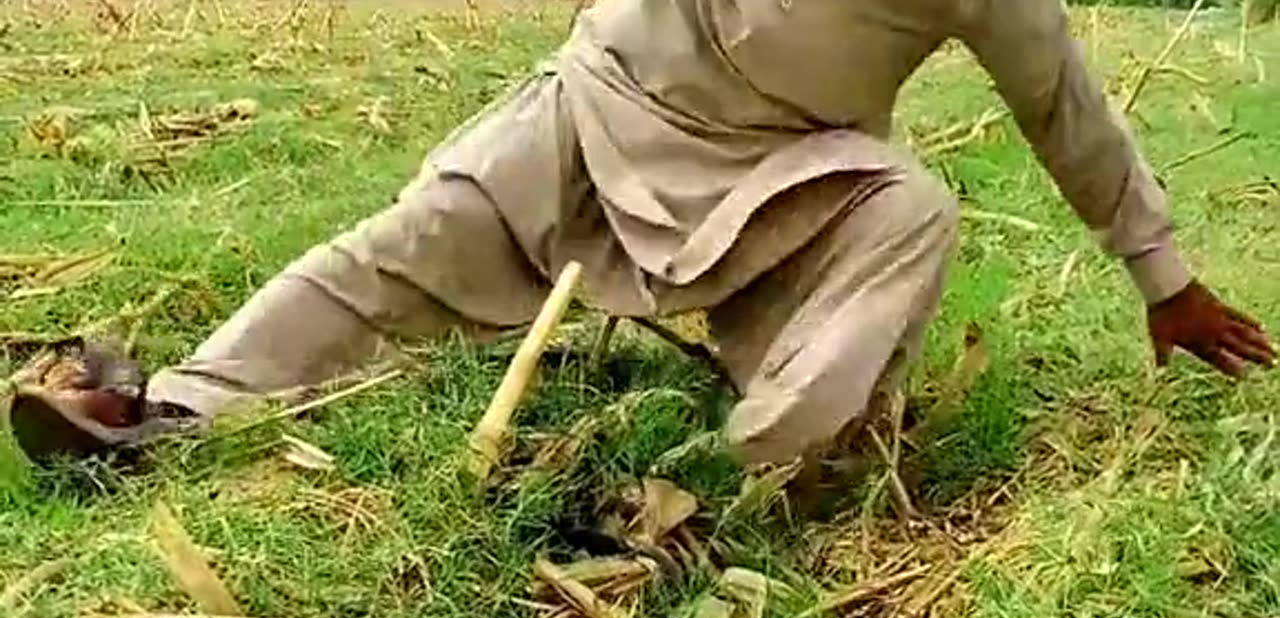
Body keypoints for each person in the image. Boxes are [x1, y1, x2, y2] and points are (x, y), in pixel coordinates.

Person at [10, 0, 1274, 468]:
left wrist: (1160, 276)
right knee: (405, 245)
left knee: (911, 206)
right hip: (597, 99)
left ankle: (758, 462)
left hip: (770, 177)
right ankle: (169, 411)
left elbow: (1068, 114)